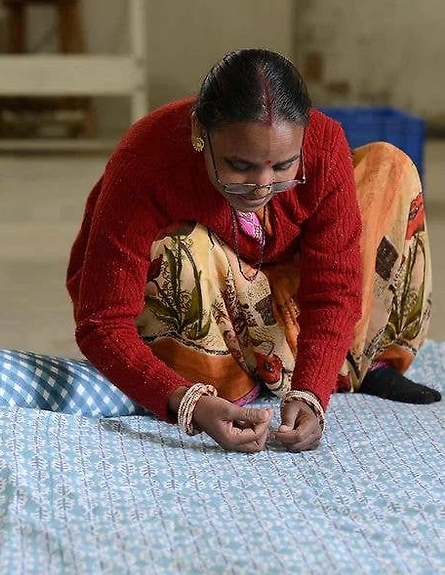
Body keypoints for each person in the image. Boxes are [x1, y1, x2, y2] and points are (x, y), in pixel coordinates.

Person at [67, 48, 440, 454]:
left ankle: (358, 363)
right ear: (198, 131)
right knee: (178, 248)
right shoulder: (145, 158)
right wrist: (188, 403)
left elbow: (334, 288)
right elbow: (102, 322)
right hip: (221, 324)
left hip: (289, 310)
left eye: (283, 167)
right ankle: (229, 386)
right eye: (239, 165)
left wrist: (312, 393)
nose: (262, 185)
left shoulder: (323, 143)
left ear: (303, 135)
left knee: (390, 166)